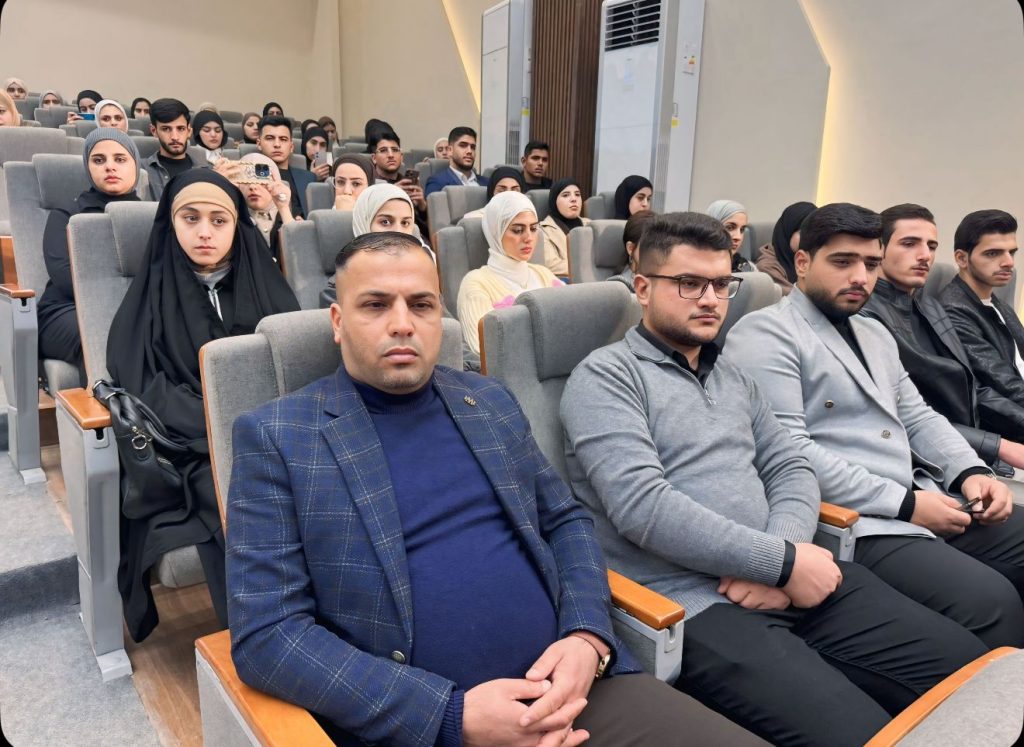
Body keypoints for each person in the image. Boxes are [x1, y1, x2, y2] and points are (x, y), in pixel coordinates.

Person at [227, 228, 764, 747]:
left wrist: (586, 636)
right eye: (375, 305)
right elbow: (268, 635)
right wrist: (449, 716)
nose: (402, 324)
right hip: (427, 728)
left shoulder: (486, 400)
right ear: (338, 321)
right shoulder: (279, 436)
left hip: (578, 690)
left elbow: (566, 521)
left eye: (421, 304)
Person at [560, 211, 991, 747]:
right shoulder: (606, 377)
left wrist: (782, 558)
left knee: (968, 669)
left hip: (791, 570)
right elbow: (644, 508)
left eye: (722, 283)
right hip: (691, 602)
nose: (710, 299)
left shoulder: (733, 375)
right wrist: (780, 563)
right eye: (689, 283)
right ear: (643, 288)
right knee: (859, 732)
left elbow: (792, 466)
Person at [724, 202, 1024, 647]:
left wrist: (970, 471)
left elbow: (919, 417)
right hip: (856, 521)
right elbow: (790, 453)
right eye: (842, 262)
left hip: (925, 497)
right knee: (992, 602)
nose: (860, 277)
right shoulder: (766, 333)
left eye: (870, 264)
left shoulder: (874, 333)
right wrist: (906, 504)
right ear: (802, 262)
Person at [107, 169, 299, 643]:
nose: (205, 232)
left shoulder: (264, 281)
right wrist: (218, 425)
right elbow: (142, 383)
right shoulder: (152, 292)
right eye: (190, 218)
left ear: (237, 226)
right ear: (171, 224)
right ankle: (263, 634)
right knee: (235, 496)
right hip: (194, 447)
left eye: (219, 220)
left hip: (273, 433)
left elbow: (293, 365)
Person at [861, 204, 1024, 472]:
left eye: (932, 246)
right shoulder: (865, 316)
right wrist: (997, 446)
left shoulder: (928, 305)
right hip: (926, 461)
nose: (925, 255)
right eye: (909, 243)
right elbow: (908, 414)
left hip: (972, 446)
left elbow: (971, 387)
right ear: (878, 249)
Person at [38, 129, 141, 378]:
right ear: (88, 167)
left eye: (120, 159)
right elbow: (64, 276)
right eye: (98, 160)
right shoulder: (66, 214)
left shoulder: (151, 215)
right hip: (65, 311)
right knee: (104, 334)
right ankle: (106, 402)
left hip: (133, 312)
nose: (109, 167)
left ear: (136, 165)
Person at [939, 209, 1024, 415]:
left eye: (1011, 252)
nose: (1009, 262)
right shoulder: (954, 310)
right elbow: (1004, 384)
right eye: (993, 253)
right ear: (962, 259)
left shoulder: (994, 301)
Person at [457, 192, 562, 356]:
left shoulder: (544, 274)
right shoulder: (476, 283)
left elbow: (571, 322)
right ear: (496, 232)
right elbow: (485, 349)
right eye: (518, 230)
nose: (528, 238)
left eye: (533, 228)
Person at [226, 153, 295, 264]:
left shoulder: (288, 217)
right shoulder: (233, 220)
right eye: (246, 179)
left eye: (262, 178)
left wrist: (284, 208)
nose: (253, 186)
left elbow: (300, 259)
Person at [257, 115, 315, 218]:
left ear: (291, 146)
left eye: (283, 139)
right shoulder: (248, 178)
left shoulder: (308, 178)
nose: (277, 144)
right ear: (259, 144)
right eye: (270, 138)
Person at [756, 201, 816, 294]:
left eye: (815, 233)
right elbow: (795, 298)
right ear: (788, 232)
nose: (810, 238)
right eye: (803, 233)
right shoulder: (767, 268)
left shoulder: (811, 258)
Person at [144, 98, 196, 201]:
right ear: (154, 131)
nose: (175, 137)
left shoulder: (206, 170)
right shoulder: (141, 170)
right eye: (166, 129)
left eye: (180, 129)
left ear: (189, 131)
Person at [539, 178, 589, 277]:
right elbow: (552, 265)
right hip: (566, 283)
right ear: (554, 201)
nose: (574, 199)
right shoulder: (543, 230)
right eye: (566, 195)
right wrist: (590, 269)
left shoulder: (591, 225)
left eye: (577, 194)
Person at [424, 126, 489, 197]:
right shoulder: (437, 183)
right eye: (463, 146)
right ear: (450, 150)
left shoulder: (488, 183)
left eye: (473, 147)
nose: (469, 151)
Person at [607, 209, 656, 292]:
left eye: (661, 245)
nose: (656, 252)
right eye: (649, 246)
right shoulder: (618, 287)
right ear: (630, 248)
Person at [461, 166, 525, 220]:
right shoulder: (472, 219)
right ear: (492, 193)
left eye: (514, 190)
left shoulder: (528, 218)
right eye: (501, 191)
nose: (508, 195)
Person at [707, 199, 753, 272]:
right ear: (712, 227)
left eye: (742, 230)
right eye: (729, 227)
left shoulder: (747, 267)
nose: (738, 237)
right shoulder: (694, 266)